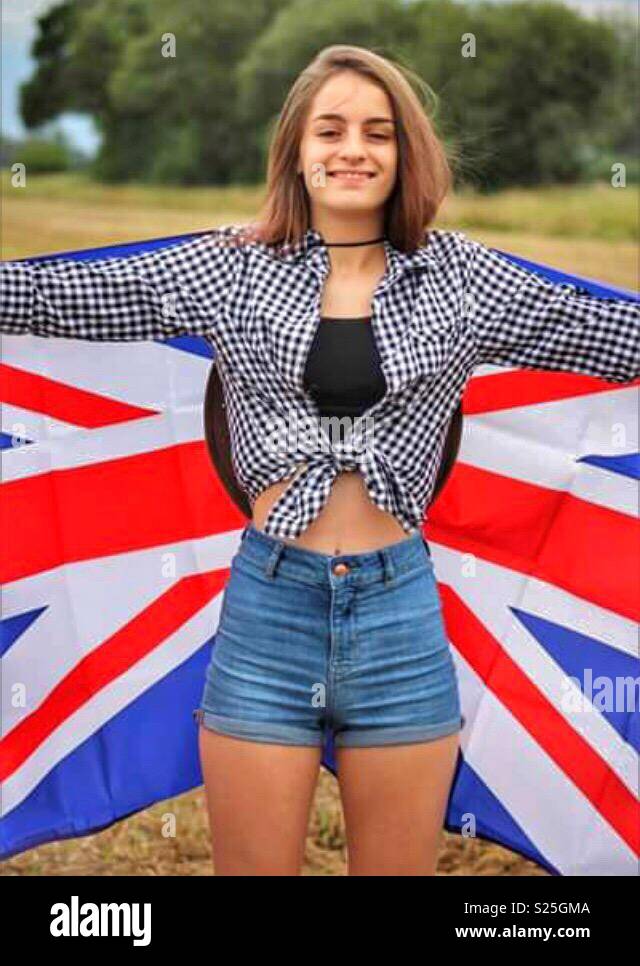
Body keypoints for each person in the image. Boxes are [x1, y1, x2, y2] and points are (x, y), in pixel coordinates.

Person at [1, 45, 638, 877]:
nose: (352, 150)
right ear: (296, 153)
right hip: (268, 613)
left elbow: (612, 338)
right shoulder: (229, 265)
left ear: (405, 155)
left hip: (400, 618)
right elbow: (60, 300)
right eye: (329, 129)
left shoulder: (462, 277)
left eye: (378, 133)